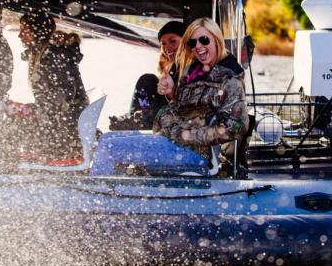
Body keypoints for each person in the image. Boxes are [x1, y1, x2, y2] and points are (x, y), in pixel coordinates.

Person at [91, 17, 248, 175]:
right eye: (193, 43)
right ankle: (114, 189)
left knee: (108, 148)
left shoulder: (230, 80)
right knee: (107, 139)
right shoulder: (192, 73)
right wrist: (172, 93)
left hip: (193, 152)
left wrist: (186, 136)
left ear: (217, 40)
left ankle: (96, 192)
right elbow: (186, 111)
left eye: (204, 40)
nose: (198, 46)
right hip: (170, 140)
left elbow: (236, 127)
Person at [6, 11, 89, 162]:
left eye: (25, 30)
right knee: (11, 118)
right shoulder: (43, 53)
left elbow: (62, 99)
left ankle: (5, 163)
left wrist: (28, 110)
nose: (20, 35)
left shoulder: (54, 56)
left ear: (38, 31)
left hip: (65, 129)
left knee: (6, 127)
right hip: (60, 123)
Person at [109, 20, 186, 130]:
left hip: (175, 121)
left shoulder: (193, 68)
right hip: (160, 115)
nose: (167, 48)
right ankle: (136, 118)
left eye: (173, 41)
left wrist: (172, 93)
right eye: (163, 44)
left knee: (148, 81)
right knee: (147, 80)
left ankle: (139, 122)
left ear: (186, 42)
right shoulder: (173, 69)